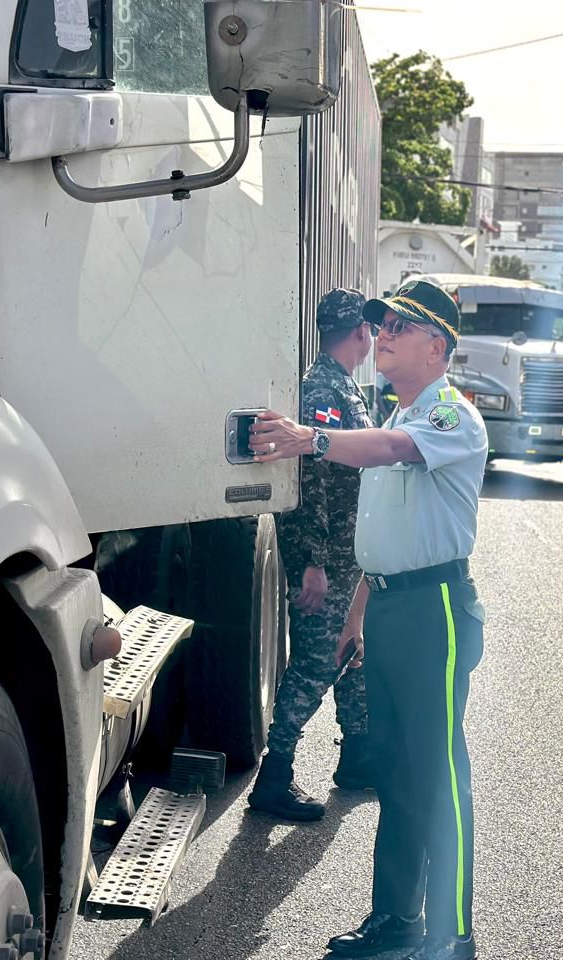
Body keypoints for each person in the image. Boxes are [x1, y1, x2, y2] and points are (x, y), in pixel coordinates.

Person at [250, 279, 487, 960]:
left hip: (434, 611)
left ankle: (451, 933)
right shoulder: (395, 413)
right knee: (395, 774)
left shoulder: (447, 417)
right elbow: (379, 533)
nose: (381, 335)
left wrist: (307, 438)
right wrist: (359, 611)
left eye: (400, 327)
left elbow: (388, 453)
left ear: (437, 345)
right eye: (379, 326)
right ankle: (395, 920)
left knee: (437, 775)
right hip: (387, 604)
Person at [248, 288, 376, 822]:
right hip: (328, 555)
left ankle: (360, 757)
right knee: (315, 663)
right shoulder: (322, 391)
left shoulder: (342, 386)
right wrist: (311, 562)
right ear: (361, 334)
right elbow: (310, 483)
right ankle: (274, 775)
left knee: (354, 653)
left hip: (349, 553)